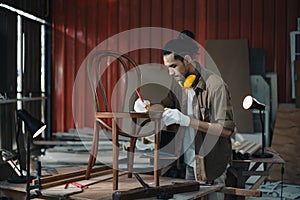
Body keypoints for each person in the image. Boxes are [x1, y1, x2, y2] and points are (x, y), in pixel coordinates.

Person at [134, 30, 235, 199]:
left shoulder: (215, 86)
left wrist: (187, 120)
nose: (170, 73)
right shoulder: (178, 83)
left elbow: (226, 130)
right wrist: (148, 107)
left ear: (187, 59)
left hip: (211, 164)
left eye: (173, 66)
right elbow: (165, 105)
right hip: (190, 162)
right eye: (167, 67)